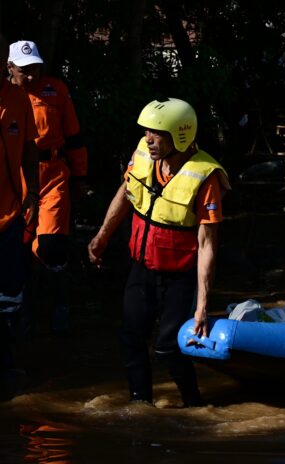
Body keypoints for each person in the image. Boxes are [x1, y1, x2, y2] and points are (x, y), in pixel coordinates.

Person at [87, 98, 230, 407]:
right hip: (142, 268)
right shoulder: (142, 154)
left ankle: (194, 405)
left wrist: (202, 307)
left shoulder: (205, 177)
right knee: (130, 339)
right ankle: (141, 406)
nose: (149, 139)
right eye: (147, 131)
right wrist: (101, 237)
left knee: (167, 348)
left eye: (157, 133)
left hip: (180, 277)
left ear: (180, 135)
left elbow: (208, 245)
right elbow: (125, 195)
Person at [8, 40, 89, 333]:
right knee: (18, 247)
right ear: (10, 68)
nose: (31, 76)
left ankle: (60, 304)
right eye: (24, 70)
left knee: (51, 245)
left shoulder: (56, 91)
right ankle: (24, 311)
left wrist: (79, 177)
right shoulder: (6, 96)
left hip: (53, 174)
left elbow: (75, 136)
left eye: (35, 69)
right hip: (16, 180)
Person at [0, 33, 39, 400]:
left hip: (9, 213)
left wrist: (35, 198)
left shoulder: (18, 101)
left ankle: (8, 362)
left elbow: (29, 150)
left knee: (9, 296)